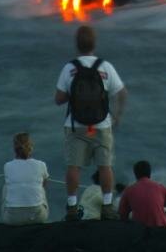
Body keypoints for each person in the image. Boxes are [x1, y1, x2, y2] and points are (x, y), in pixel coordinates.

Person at [54, 25, 128, 221]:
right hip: (102, 124)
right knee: (105, 166)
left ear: (77, 45)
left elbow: (58, 98)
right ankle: (107, 206)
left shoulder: (69, 68)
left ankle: (71, 207)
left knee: (73, 166)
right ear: (94, 44)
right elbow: (121, 93)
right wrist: (117, 116)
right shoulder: (105, 67)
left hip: (75, 125)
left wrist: (73, 93)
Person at [2, 133, 49, 225]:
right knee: (41, 189)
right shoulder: (41, 164)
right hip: (38, 218)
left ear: (14, 148)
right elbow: (44, 185)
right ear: (31, 146)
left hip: (13, 220)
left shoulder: (7, 166)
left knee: (5, 187)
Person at [118, 161, 166, 227]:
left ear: (135, 174)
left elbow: (122, 214)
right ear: (150, 173)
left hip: (139, 230)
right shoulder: (159, 187)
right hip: (162, 229)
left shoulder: (128, 190)